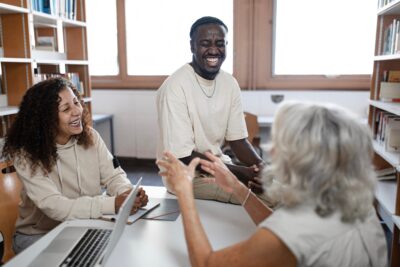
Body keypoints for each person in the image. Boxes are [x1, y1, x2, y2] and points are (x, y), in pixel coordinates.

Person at [157, 101, 388, 267]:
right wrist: (237, 187)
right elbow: (280, 229)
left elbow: (206, 263)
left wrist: (184, 192)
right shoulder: (357, 204)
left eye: (280, 144)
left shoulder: (294, 231)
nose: (271, 150)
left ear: (302, 159)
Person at [2, 77, 148, 254]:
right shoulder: (26, 153)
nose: (76, 111)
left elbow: (114, 175)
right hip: (38, 235)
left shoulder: (91, 137)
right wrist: (113, 204)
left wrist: (128, 196)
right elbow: (55, 206)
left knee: (124, 250)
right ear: (46, 119)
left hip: (83, 224)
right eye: (66, 109)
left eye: (76, 102)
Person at [157, 16, 264, 203]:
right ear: (192, 46)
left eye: (220, 43)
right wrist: (240, 173)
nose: (214, 50)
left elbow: (238, 141)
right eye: (205, 43)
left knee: (279, 187)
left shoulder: (229, 83)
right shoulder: (175, 87)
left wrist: (260, 168)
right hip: (184, 176)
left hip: (220, 166)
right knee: (261, 197)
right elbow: (183, 157)